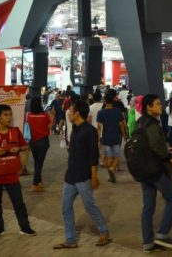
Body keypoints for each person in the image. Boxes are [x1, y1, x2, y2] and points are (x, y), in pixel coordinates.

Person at [54, 100, 111, 249]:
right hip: (71, 176)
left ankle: (104, 232)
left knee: (89, 206)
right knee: (66, 206)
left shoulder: (90, 131)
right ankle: (70, 239)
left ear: (78, 113)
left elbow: (93, 156)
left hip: (84, 176)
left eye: (71, 110)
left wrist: (94, 176)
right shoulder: (75, 129)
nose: (68, 112)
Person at [0, 104, 37, 239]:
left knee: (19, 203)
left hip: (11, 175)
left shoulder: (15, 131)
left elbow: (25, 146)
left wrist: (18, 149)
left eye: (10, 115)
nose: (9, 118)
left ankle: (25, 228)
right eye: (6, 115)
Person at [137, 94, 172, 252]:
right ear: (148, 107)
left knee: (148, 206)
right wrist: (169, 158)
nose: (161, 106)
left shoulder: (139, 122)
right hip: (155, 169)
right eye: (157, 104)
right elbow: (156, 145)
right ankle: (162, 234)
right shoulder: (152, 124)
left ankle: (147, 242)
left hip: (143, 169)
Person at [97, 89, 128, 183]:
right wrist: (124, 135)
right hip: (116, 137)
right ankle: (113, 169)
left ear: (105, 101)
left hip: (106, 137)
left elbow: (99, 127)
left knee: (109, 158)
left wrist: (98, 139)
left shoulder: (101, 112)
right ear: (113, 100)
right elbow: (121, 125)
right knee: (117, 157)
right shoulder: (117, 111)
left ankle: (111, 173)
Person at [27, 97, 53, 192]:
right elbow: (49, 126)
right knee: (39, 163)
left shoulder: (29, 115)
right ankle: (35, 183)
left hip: (33, 142)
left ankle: (39, 181)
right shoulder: (44, 115)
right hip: (43, 141)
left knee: (37, 162)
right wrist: (52, 117)